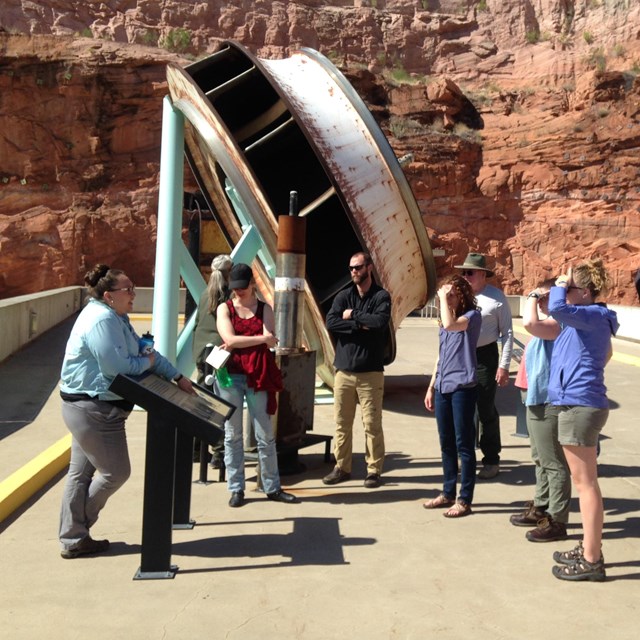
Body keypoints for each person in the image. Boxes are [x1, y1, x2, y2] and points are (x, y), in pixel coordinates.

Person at [58, 264, 194, 559]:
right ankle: (77, 528)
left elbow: (147, 352)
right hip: (93, 409)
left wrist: (177, 377)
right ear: (109, 295)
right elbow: (118, 367)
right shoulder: (101, 322)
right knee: (116, 472)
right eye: (128, 289)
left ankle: (73, 536)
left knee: (80, 475)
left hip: (96, 408)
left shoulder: (117, 317)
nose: (133, 293)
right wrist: (146, 362)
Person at [547, 259, 618, 582]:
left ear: (585, 293)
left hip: (579, 405)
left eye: (570, 286)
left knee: (586, 485)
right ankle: (591, 548)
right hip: (578, 402)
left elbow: (558, 308)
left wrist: (558, 289)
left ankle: (591, 560)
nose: (563, 289)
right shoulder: (590, 319)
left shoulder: (591, 315)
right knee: (585, 482)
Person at [215, 263, 298, 508]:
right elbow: (230, 339)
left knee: (265, 435)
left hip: (258, 376)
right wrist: (261, 339)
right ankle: (236, 488)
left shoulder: (264, 308)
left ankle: (272, 486)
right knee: (233, 435)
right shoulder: (225, 308)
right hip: (231, 375)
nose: (238, 292)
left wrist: (241, 342)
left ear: (252, 284)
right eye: (235, 288)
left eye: (242, 287)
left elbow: (241, 341)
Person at [323, 251, 391, 489]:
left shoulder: (381, 296)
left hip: (370, 373)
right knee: (342, 423)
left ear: (369, 268)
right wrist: (359, 325)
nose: (354, 272)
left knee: (372, 424)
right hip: (343, 372)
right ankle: (341, 467)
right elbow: (331, 322)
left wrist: (354, 315)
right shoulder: (344, 296)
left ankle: (374, 471)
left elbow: (379, 323)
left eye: (358, 267)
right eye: (351, 268)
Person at [510, 279, 571, 542]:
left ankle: (557, 520)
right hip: (534, 396)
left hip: (547, 399)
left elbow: (529, 323)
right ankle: (541, 505)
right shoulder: (552, 322)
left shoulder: (559, 323)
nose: (540, 301)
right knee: (540, 457)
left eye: (545, 297)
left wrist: (534, 294)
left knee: (553, 462)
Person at [423, 275, 481, 517]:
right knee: (446, 442)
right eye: (447, 295)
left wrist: (442, 300)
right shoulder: (445, 319)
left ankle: (464, 499)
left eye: (452, 295)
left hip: (462, 387)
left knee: (463, 445)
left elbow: (450, 325)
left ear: (463, 296)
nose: (448, 299)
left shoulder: (471, 317)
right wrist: (431, 386)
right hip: (443, 386)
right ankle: (447, 492)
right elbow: (441, 355)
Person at [455, 252, 513, 479]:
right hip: (462, 355)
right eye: (463, 272)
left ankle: (491, 459)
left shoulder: (496, 298)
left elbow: (507, 333)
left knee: (485, 408)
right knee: (463, 408)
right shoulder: (459, 296)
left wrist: (504, 365)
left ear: (482, 274)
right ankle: (465, 456)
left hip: (485, 357)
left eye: (469, 272)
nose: (465, 276)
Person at [192, 254, 232, 467]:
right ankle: (219, 452)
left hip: (201, 353)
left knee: (201, 401)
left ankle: (197, 448)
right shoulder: (230, 297)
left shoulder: (204, 295)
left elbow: (197, 324)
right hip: (220, 353)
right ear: (229, 273)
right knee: (219, 402)